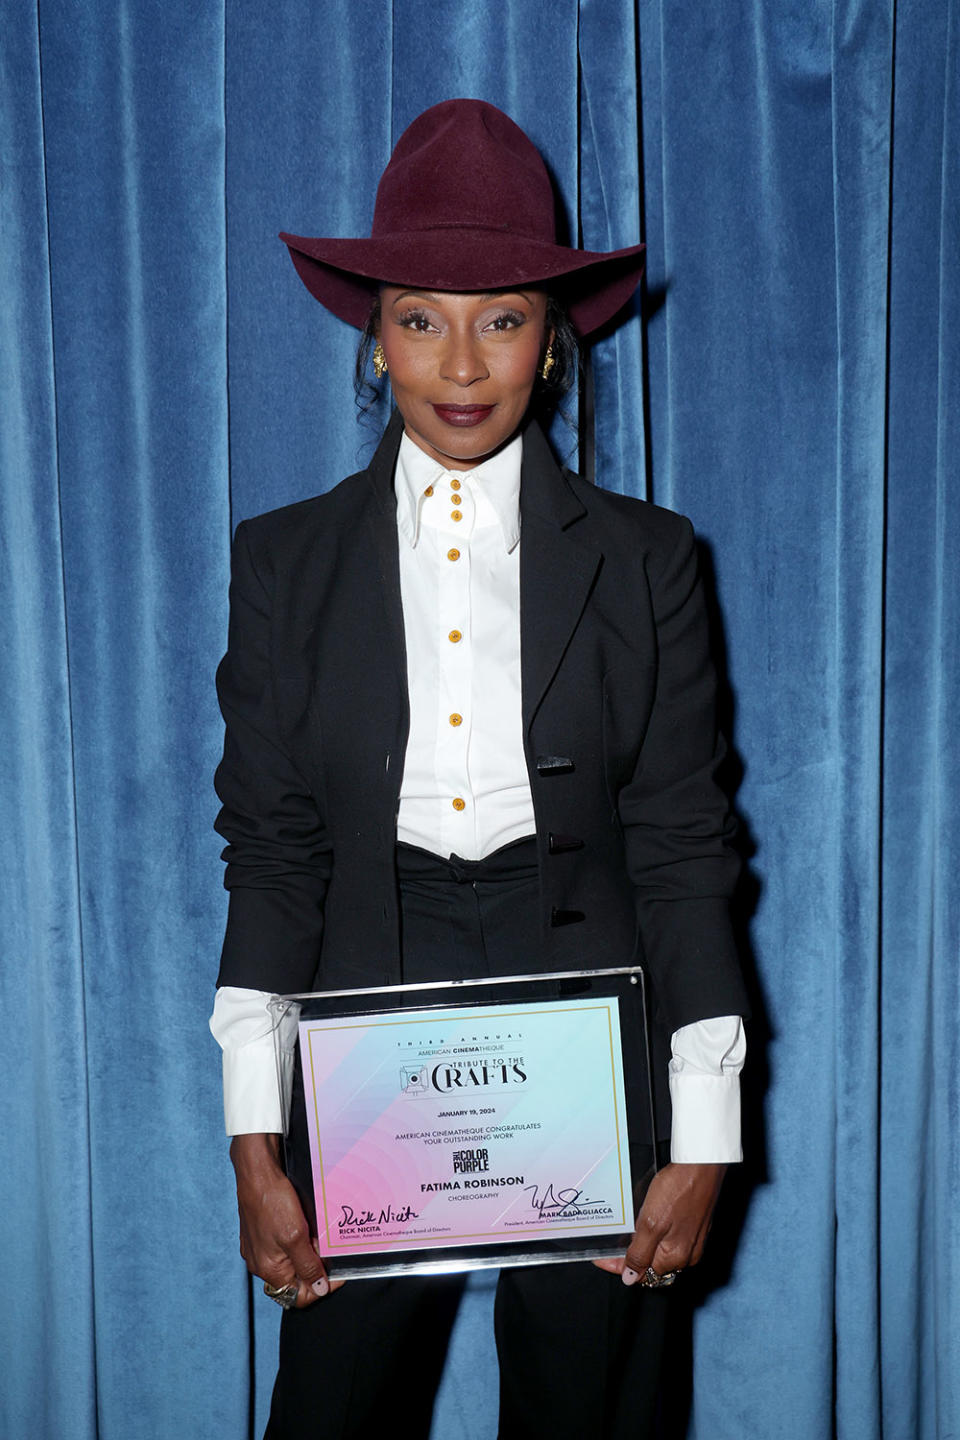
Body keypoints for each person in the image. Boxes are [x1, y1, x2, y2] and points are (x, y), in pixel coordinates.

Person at [211, 98, 749, 1440]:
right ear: (372, 335)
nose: (460, 362)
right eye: (419, 317)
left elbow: (686, 844)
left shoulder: (649, 559)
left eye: (502, 318)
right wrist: (251, 1136)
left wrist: (705, 1137)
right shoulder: (284, 563)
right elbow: (275, 851)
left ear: (556, 344)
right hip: (361, 1020)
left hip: (593, 1022)